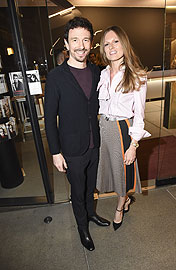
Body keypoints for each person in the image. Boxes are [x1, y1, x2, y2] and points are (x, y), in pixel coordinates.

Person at [44, 17, 110, 251]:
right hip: (71, 149)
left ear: (91, 42)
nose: (80, 45)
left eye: (85, 40)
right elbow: (50, 119)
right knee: (78, 189)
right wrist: (55, 152)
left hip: (94, 144)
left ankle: (91, 214)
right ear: (66, 43)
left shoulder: (97, 72)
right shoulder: (55, 77)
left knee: (90, 185)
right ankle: (82, 226)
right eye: (75, 40)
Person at [96, 26, 151, 231]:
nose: (111, 47)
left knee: (123, 172)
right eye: (107, 43)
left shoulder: (137, 75)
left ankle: (121, 206)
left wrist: (133, 145)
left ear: (124, 43)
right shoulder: (102, 74)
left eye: (115, 41)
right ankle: (124, 200)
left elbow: (140, 115)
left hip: (122, 129)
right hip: (104, 126)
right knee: (110, 170)